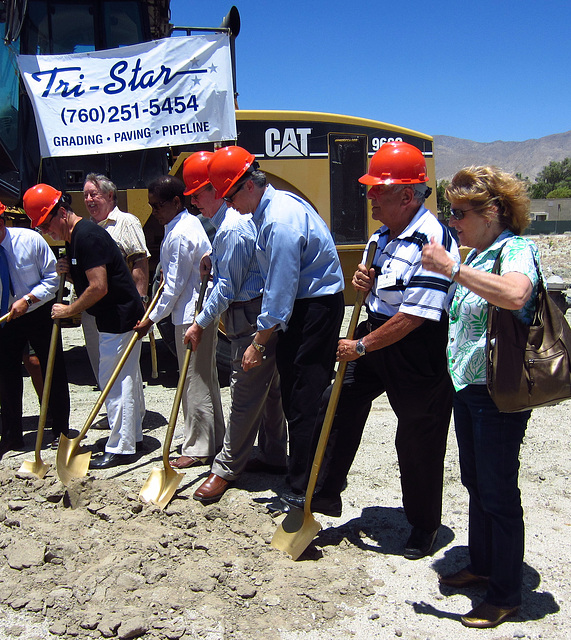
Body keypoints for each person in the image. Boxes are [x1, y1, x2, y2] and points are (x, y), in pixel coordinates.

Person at [283, 142, 459, 561]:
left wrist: (360, 345)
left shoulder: (434, 240)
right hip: (377, 333)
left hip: (416, 348)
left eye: (377, 190)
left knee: (417, 436)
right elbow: (380, 294)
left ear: (406, 195)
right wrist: (365, 281)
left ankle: (423, 524)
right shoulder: (381, 237)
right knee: (336, 403)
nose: (369, 196)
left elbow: (416, 315)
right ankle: (323, 495)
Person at [421, 166, 539, 628]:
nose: (453, 221)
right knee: (476, 484)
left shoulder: (516, 250)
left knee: (498, 492)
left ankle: (506, 593)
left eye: (461, 212)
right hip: (469, 388)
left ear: (493, 211)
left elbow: (515, 294)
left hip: (496, 393)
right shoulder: (482, 253)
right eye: (451, 212)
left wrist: (453, 268)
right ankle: (485, 564)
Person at [207, 146, 345, 496]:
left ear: (248, 186)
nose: (229, 204)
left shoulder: (279, 221)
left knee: (303, 401)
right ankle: (288, 468)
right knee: (290, 397)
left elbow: (280, 291)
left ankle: (304, 488)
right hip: (304, 306)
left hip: (314, 310)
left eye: (230, 195)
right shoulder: (269, 209)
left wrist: (258, 342)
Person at [181, 152, 287, 504]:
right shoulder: (232, 224)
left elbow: (226, 287)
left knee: (244, 393)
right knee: (270, 391)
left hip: (250, 315)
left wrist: (199, 323)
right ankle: (273, 454)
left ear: (216, 189)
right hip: (257, 310)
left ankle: (226, 468)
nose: (194, 202)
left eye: (197, 194)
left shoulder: (232, 227)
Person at [24, 184, 145, 469]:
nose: (45, 231)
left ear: (62, 213)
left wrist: (69, 309)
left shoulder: (86, 236)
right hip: (116, 318)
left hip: (119, 319)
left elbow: (99, 287)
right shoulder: (75, 237)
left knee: (114, 383)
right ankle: (129, 438)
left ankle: (122, 448)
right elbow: (91, 275)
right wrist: (69, 268)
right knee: (120, 380)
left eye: (45, 224)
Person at [133, 175, 224, 466]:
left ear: (175, 202)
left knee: (194, 382)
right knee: (204, 379)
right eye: (150, 206)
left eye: (157, 205)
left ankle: (198, 448)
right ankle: (213, 439)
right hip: (192, 312)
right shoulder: (183, 225)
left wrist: (150, 318)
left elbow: (172, 285)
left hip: (191, 315)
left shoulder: (182, 232)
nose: (154, 212)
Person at [0, 200, 70, 458]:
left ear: (1, 223)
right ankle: (11, 434)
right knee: (6, 374)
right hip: (6, 316)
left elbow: (53, 279)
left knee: (52, 367)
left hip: (39, 310)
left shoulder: (30, 240)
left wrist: (28, 299)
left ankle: (59, 431)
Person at [81, 174, 150, 388]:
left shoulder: (126, 222)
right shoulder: (86, 228)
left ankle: (128, 415)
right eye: (85, 196)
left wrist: (141, 301)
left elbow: (139, 261)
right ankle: (112, 411)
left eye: (94, 194)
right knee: (101, 363)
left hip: (120, 307)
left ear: (110, 195)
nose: (89, 200)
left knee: (123, 366)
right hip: (92, 306)